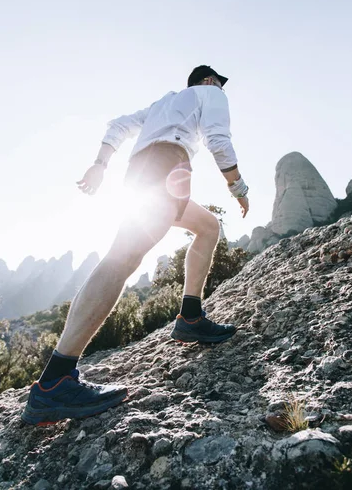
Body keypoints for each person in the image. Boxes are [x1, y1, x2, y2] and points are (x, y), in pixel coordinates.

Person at [22, 65, 249, 426]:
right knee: (123, 258)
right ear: (209, 82)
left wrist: (100, 164)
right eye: (219, 84)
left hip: (148, 171)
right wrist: (238, 188)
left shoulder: (164, 103)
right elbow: (219, 140)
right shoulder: (211, 94)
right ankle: (55, 381)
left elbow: (119, 124)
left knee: (206, 227)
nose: (222, 90)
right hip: (166, 166)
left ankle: (190, 317)